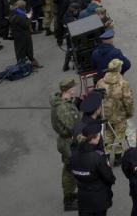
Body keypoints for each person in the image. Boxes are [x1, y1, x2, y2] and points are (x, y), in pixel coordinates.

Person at [95, 58, 135, 166]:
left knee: (108, 134)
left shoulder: (100, 82)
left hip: (106, 114)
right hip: (120, 114)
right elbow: (128, 100)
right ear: (118, 68)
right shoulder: (123, 84)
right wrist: (130, 112)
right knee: (120, 135)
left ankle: (106, 156)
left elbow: (97, 98)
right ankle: (117, 158)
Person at [71, 122, 116, 215]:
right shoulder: (98, 157)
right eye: (98, 135)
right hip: (98, 197)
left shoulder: (74, 155)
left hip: (83, 196)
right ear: (94, 138)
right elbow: (108, 176)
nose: (100, 136)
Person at [51, 78, 81, 211]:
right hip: (69, 143)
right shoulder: (63, 108)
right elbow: (72, 127)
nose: (75, 89)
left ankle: (69, 195)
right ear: (69, 90)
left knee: (69, 170)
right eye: (73, 88)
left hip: (67, 141)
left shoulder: (64, 103)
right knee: (70, 171)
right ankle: (68, 201)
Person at [9, 0, 41, 67]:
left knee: (20, 51)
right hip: (23, 35)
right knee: (27, 50)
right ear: (23, 7)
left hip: (18, 35)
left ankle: (23, 63)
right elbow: (25, 25)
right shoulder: (19, 16)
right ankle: (26, 64)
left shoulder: (14, 12)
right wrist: (30, 17)